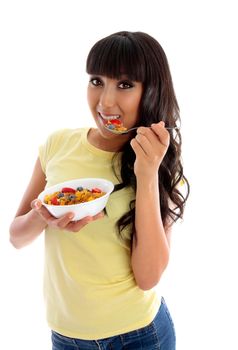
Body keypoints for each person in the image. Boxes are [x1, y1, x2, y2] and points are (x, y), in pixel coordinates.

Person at [9, 31, 189, 350]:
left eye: (124, 84)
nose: (105, 102)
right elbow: (16, 237)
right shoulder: (58, 145)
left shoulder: (160, 165)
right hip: (66, 337)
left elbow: (148, 277)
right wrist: (44, 217)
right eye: (96, 81)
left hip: (140, 336)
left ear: (151, 91)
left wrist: (146, 176)